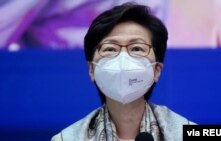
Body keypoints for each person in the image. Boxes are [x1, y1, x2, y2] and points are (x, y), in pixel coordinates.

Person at [51, 2, 195, 141]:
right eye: (110, 49)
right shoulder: (66, 138)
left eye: (137, 48)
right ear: (92, 69)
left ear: (157, 70)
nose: (123, 59)